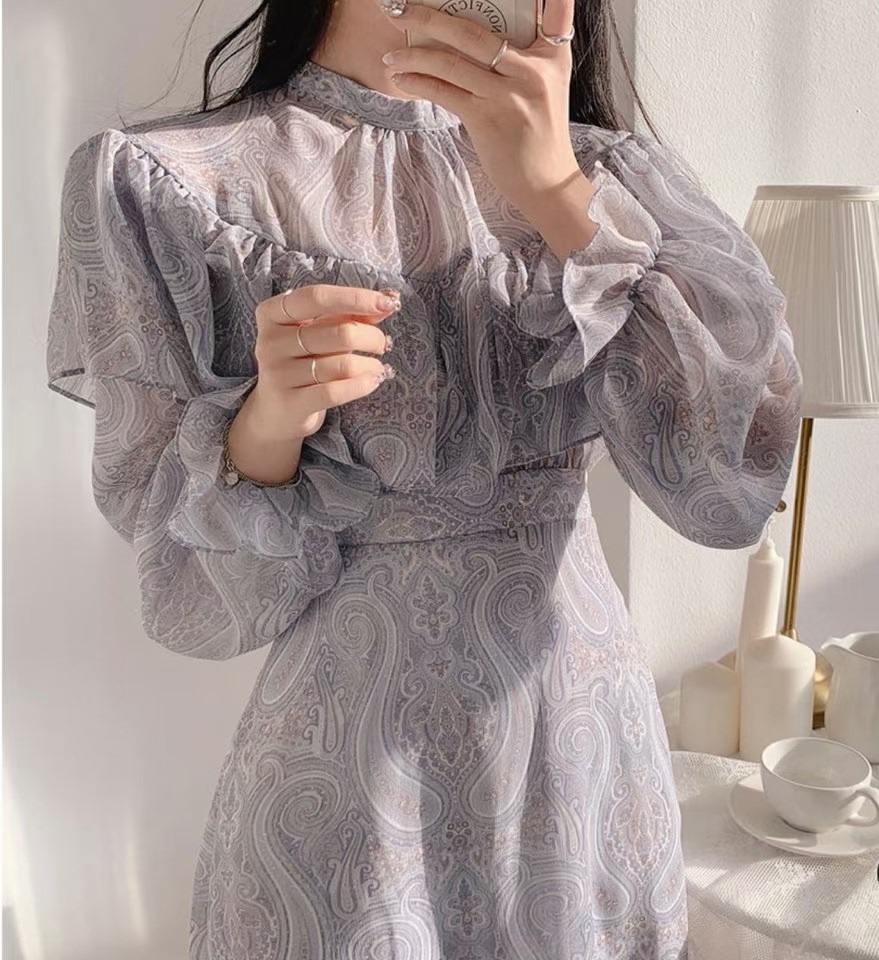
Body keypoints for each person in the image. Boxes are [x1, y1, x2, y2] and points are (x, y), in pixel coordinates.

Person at [45, 0, 803, 954]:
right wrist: (268, 423)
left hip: (582, 763)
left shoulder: (610, 178)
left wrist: (556, 192)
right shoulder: (172, 184)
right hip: (350, 792)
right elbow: (196, 601)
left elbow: (728, 484)